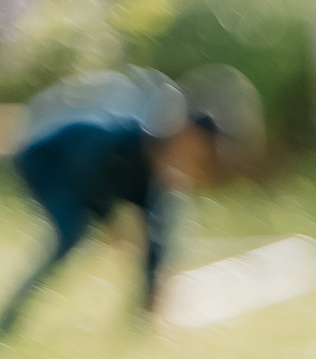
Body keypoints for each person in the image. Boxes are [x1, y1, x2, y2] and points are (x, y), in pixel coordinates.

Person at [1, 81, 224, 339]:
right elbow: (87, 172)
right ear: (183, 131)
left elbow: (156, 240)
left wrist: (153, 291)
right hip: (46, 162)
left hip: (78, 176)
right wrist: (110, 221)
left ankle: (139, 326)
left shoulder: (158, 178)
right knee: (71, 233)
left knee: (146, 236)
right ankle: (7, 322)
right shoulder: (129, 142)